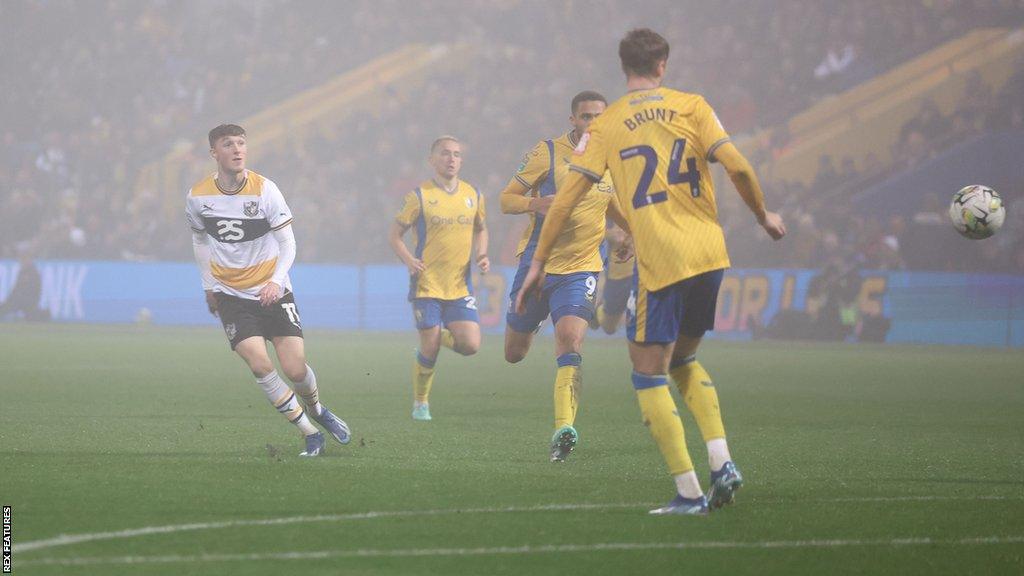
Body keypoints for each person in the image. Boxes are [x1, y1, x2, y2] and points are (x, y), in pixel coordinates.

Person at [516, 29, 786, 515]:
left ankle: (688, 493)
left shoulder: (608, 125)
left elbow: (569, 198)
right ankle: (721, 461)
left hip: (662, 261)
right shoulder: (693, 106)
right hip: (710, 253)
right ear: (662, 65)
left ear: (624, 68)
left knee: (647, 372)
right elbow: (739, 167)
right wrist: (763, 215)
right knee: (683, 360)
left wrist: (537, 262)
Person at [185, 124, 350, 457]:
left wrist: (276, 280)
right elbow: (200, 239)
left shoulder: (265, 190)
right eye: (228, 144)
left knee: (295, 369)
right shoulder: (198, 196)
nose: (237, 149)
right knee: (260, 365)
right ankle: (308, 432)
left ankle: (318, 410)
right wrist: (208, 285)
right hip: (231, 295)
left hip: (273, 291)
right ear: (214, 153)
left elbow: (287, 242)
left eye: (241, 143)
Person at [499, 90, 630, 462]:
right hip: (537, 267)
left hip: (583, 267)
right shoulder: (548, 153)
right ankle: (536, 319)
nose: (593, 123)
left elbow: (613, 204)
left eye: (599, 117)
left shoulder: (610, 157)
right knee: (514, 353)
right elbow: (505, 199)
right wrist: (534, 203)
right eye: (586, 116)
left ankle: (563, 429)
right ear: (573, 120)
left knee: (571, 341)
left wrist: (629, 234)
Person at [389, 136, 489, 421]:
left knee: (470, 345)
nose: (452, 159)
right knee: (430, 347)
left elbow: (481, 228)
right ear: (432, 160)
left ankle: (434, 335)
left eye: (457, 154)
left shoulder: (474, 195)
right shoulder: (419, 196)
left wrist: (482, 254)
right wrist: (409, 260)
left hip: (459, 285)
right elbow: (394, 235)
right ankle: (421, 403)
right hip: (427, 283)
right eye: (445, 154)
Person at [593, 223, 634, 335]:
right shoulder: (610, 208)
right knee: (609, 326)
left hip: (644, 269)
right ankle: (597, 312)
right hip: (619, 273)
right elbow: (592, 228)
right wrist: (610, 234)